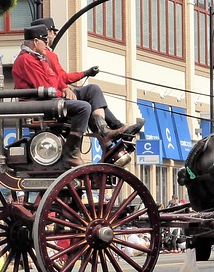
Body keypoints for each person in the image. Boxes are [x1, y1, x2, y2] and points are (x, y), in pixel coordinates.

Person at [30, 17, 144, 145]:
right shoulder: (43, 56)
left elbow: (57, 78)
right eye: (52, 31)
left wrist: (68, 84)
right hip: (54, 100)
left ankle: (109, 131)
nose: (55, 34)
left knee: (92, 93)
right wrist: (80, 76)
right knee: (89, 97)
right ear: (43, 35)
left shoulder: (43, 55)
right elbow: (59, 79)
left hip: (56, 96)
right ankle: (109, 132)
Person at [12, 25, 93, 166]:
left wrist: (64, 88)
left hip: (49, 98)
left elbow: (55, 80)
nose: (47, 44)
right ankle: (71, 152)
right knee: (83, 107)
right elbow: (43, 86)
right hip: (40, 103)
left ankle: (106, 132)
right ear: (36, 41)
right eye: (45, 40)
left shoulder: (38, 58)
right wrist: (63, 92)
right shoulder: (27, 60)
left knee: (91, 92)